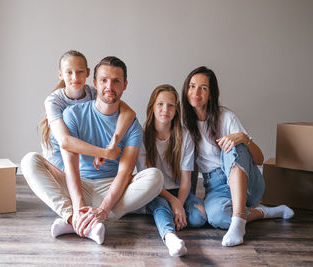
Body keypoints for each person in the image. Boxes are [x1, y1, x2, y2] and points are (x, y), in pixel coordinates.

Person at [23, 56, 163, 245]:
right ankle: (74, 218)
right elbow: (70, 165)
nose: (109, 86)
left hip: (110, 187)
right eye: (104, 80)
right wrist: (79, 204)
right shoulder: (72, 114)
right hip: (77, 184)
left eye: (116, 81)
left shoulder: (131, 125)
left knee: (155, 176)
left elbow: (125, 172)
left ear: (125, 85)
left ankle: (94, 218)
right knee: (30, 161)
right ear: (95, 83)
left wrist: (103, 209)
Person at [181, 66, 294, 247]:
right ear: (186, 90)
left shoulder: (226, 117)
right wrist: (191, 198)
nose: (196, 92)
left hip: (248, 183)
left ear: (211, 94)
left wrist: (243, 138)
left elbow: (259, 159)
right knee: (216, 217)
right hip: (216, 187)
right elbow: (191, 167)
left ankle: (239, 219)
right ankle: (262, 213)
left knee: (234, 144)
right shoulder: (185, 125)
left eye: (203, 88)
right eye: (192, 86)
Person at [136, 84, 207, 257]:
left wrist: (179, 204)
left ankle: (161, 213)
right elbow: (147, 180)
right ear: (152, 107)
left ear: (176, 110)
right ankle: (171, 239)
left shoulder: (185, 136)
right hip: (155, 190)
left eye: (170, 105)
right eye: (160, 104)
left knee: (199, 217)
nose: (165, 110)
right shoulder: (142, 137)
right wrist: (173, 202)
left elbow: (186, 180)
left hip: (179, 190)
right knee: (161, 207)